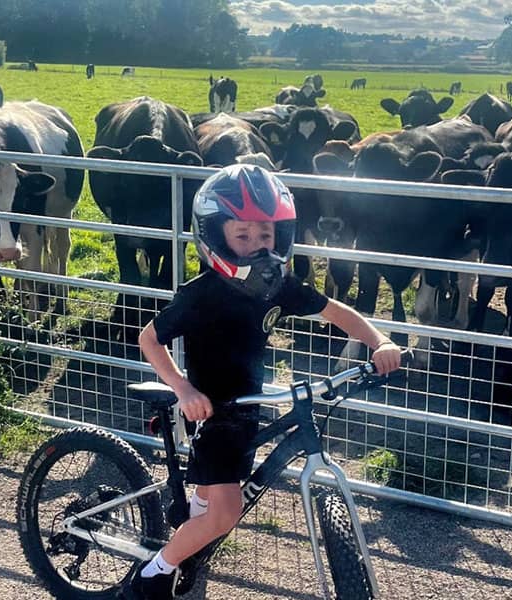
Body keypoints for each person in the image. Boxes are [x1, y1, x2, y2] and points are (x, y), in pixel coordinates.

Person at [131, 163, 401, 599]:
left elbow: (337, 312)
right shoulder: (202, 295)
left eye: (266, 236)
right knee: (227, 511)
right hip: (212, 413)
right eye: (243, 236)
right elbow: (149, 339)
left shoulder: (278, 287)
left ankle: (187, 532)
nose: (257, 246)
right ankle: (153, 574)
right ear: (215, 236)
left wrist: (379, 341)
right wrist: (184, 388)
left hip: (249, 405)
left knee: (210, 499)